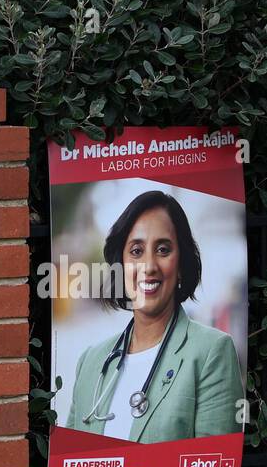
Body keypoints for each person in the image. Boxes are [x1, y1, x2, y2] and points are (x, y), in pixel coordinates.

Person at [64, 190, 243, 443]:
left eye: (162, 249)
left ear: (181, 265)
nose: (149, 266)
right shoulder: (90, 362)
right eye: (136, 251)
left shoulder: (212, 352)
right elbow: (72, 466)